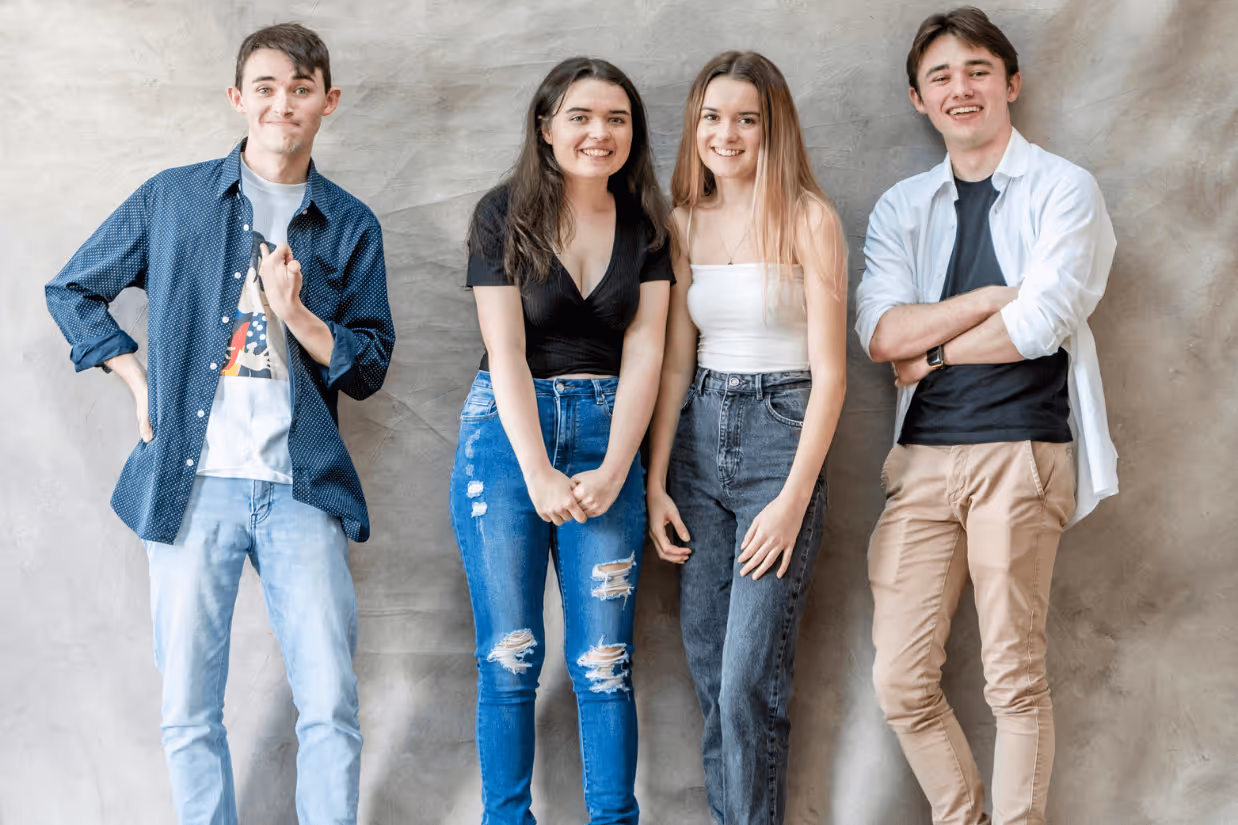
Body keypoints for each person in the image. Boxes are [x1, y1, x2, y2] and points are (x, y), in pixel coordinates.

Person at [44, 23, 394, 825]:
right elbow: (72, 290)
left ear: (327, 102)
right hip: (191, 482)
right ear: (238, 98)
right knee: (189, 710)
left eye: (302, 89)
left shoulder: (349, 223)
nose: (283, 104)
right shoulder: (175, 198)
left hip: (301, 485)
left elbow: (370, 366)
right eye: (266, 87)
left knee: (332, 704)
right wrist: (133, 376)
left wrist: (298, 314)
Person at [855, 7, 1118, 824]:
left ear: (1011, 84)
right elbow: (878, 331)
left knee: (1012, 677)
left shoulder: (1064, 189)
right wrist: (980, 302)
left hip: (1022, 455)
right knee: (900, 681)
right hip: (923, 462)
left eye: (976, 70)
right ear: (918, 100)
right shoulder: (903, 206)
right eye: (940, 76)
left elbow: (1039, 324)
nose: (959, 88)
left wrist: (932, 352)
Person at [449, 57, 672, 824]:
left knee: (603, 663)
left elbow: (648, 351)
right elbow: (504, 350)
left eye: (616, 118)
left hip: (611, 433)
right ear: (547, 129)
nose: (598, 132)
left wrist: (617, 468)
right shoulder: (499, 214)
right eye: (580, 116)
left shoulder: (646, 227)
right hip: (508, 440)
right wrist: (539, 470)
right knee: (510, 655)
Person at [645, 51, 848, 825]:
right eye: (712, 117)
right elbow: (672, 365)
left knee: (746, 685)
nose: (726, 134)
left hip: (779, 442)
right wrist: (659, 479)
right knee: (708, 676)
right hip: (699, 443)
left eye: (746, 119)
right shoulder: (682, 220)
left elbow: (831, 375)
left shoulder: (809, 218)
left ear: (774, 129)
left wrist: (795, 499)